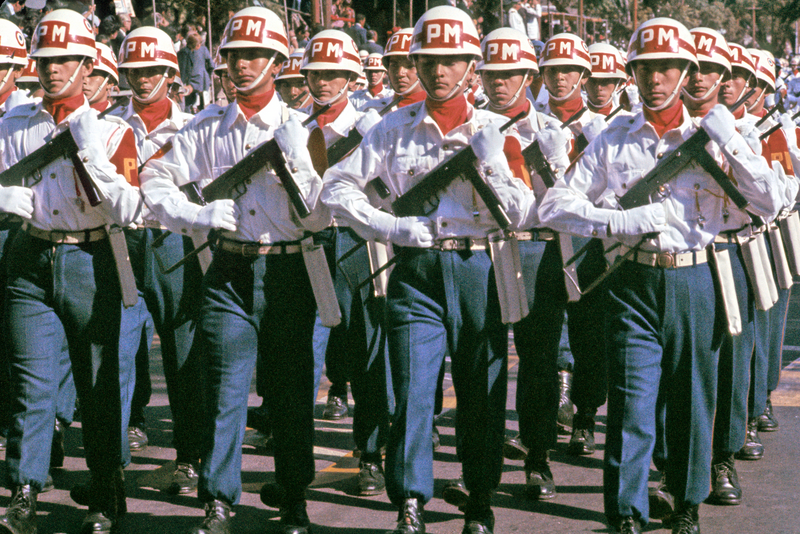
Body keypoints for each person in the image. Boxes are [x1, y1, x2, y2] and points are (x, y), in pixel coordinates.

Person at [538, 17, 782, 534]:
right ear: (632, 73)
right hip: (633, 282)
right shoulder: (614, 137)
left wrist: (732, 143)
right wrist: (617, 221)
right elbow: (555, 204)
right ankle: (626, 512)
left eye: (667, 67)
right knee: (630, 401)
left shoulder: (715, 135)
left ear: (688, 71)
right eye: (645, 68)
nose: (656, 78)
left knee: (694, 397)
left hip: (698, 279)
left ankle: (688, 502)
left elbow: (771, 202)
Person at [322, 6, 535, 533]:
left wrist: (491, 162)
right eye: (427, 60)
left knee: (481, 391)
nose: (437, 71)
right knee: (414, 391)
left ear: (471, 65)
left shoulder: (497, 129)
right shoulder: (394, 127)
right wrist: (389, 228)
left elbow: (524, 211)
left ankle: (480, 496)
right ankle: (410, 499)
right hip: (416, 271)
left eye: (450, 61)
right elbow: (338, 187)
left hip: (480, 269)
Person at [139, 7, 329, 534]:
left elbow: (320, 215)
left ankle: (293, 496)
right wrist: (192, 214)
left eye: (254, 55)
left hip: (289, 270)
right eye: (233, 56)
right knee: (223, 390)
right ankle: (218, 500)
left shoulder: (301, 130)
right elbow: (155, 177)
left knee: (291, 394)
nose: (242, 64)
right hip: (228, 268)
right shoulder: (206, 126)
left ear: (277, 61)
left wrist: (303, 166)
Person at [0, 9, 142, 534]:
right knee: (31, 385)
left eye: (64, 60)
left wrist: (91, 153)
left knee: (99, 383)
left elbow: (129, 208)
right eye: (44, 60)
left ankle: (106, 488)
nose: (52, 69)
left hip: (91, 257)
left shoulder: (114, 131)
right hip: (31, 257)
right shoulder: (13, 123)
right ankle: (25, 490)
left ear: (88, 65)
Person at [177, 31, 212, 112]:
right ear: (195, 45)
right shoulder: (184, 53)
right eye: (198, 44)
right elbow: (182, 70)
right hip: (187, 83)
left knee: (191, 103)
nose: (200, 45)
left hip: (191, 82)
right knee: (186, 105)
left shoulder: (189, 52)